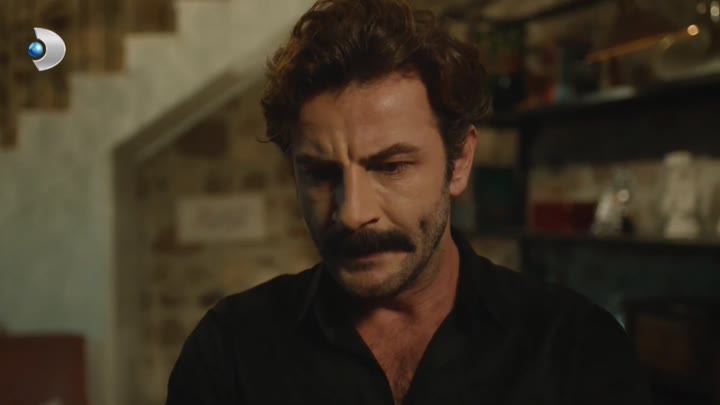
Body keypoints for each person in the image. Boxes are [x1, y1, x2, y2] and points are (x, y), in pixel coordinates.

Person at [165, 0, 652, 404]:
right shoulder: (230, 353)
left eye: (391, 166)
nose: (353, 213)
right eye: (321, 173)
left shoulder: (575, 350)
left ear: (459, 162)